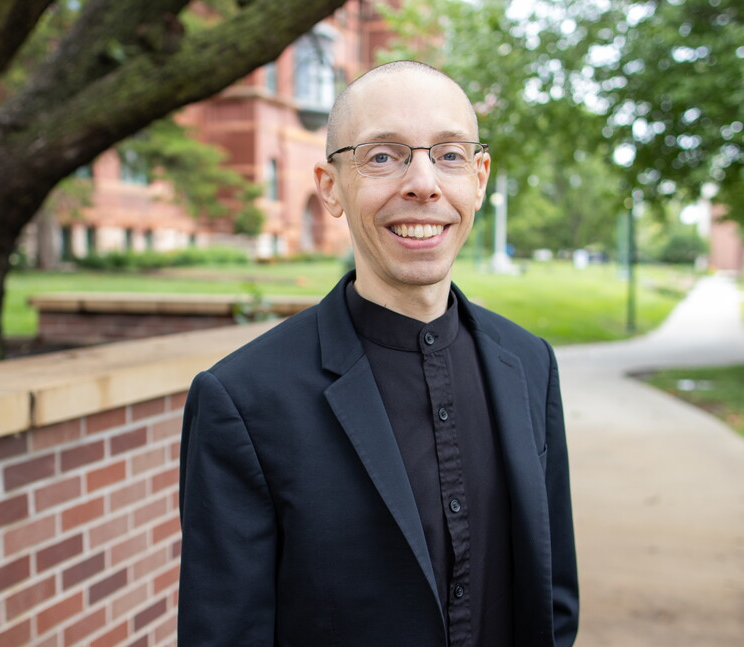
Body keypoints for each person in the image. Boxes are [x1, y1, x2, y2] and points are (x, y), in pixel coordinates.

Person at [178, 60, 578, 647]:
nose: (423, 183)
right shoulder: (242, 400)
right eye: (384, 157)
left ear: (480, 177)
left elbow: (552, 603)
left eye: (449, 154)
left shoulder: (531, 364)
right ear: (330, 187)